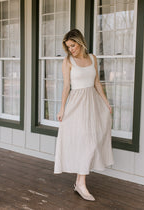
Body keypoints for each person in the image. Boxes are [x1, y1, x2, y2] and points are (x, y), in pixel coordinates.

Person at [54, 29, 114, 201]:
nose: (71, 49)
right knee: (84, 142)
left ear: (80, 42)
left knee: (92, 141)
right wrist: (62, 108)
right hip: (76, 103)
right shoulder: (67, 61)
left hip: (93, 102)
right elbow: (66, 87)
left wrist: (106, 102)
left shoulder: (92, 58)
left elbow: (96, 82)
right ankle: (80, 183)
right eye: (68, 47)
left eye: (73, 45)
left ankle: (80, 182)